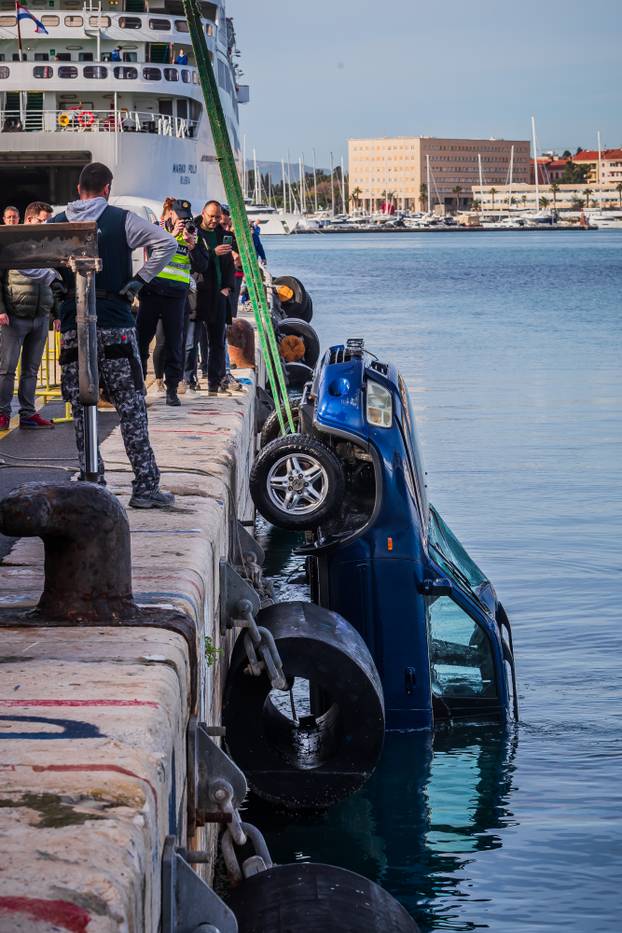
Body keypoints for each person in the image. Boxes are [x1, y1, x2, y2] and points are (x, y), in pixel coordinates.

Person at [49, 161, 178, 509]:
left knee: (80, 407)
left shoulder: (58, 223)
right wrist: (140, 280)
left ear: (79, 190)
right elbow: (167, 243)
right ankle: (145, 487)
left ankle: (94, 481)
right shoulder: (123, 220)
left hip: (74, 328)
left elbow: (28, 260)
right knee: (131, 406)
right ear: (107, 188)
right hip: (116, 327)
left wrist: (56, 285)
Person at [136, 198, 208, 406]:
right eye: (180, 218)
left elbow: (203, 266)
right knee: (141, 340)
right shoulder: (157, 230)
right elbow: (150, 253)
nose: (184, 223)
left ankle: (173, 389)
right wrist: (171, 235)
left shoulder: (194, 235)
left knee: (174, 344)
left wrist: (193, 246)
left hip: (176, 296)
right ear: (170, 215)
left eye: (187, 219)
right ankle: (138, 386)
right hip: (152, 292)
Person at [0, 202, 60, 431]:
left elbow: (54, 281)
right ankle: (2, 413)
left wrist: (55, 312)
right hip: (15, 316)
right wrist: (1, 309)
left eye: (47, 221)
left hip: (41, 316)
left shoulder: (47, 245)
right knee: (7, 368)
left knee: (31, 370)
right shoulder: (11, 244)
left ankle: (27, 413)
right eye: (41, 220)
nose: (45, 225)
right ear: (29, 220)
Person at [195, 200, 235, 396]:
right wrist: (212, 253)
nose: (214, 220)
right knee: (191, 340)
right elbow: (197, 262)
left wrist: (227, 287)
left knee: (217, 341)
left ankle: (215, 381)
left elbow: (229, 263)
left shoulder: (224, 234)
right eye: (211, 216)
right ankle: (188, 378)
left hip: (219, 293)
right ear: (203, 213)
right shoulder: (194, 232)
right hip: (200, 293)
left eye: (217, 217)